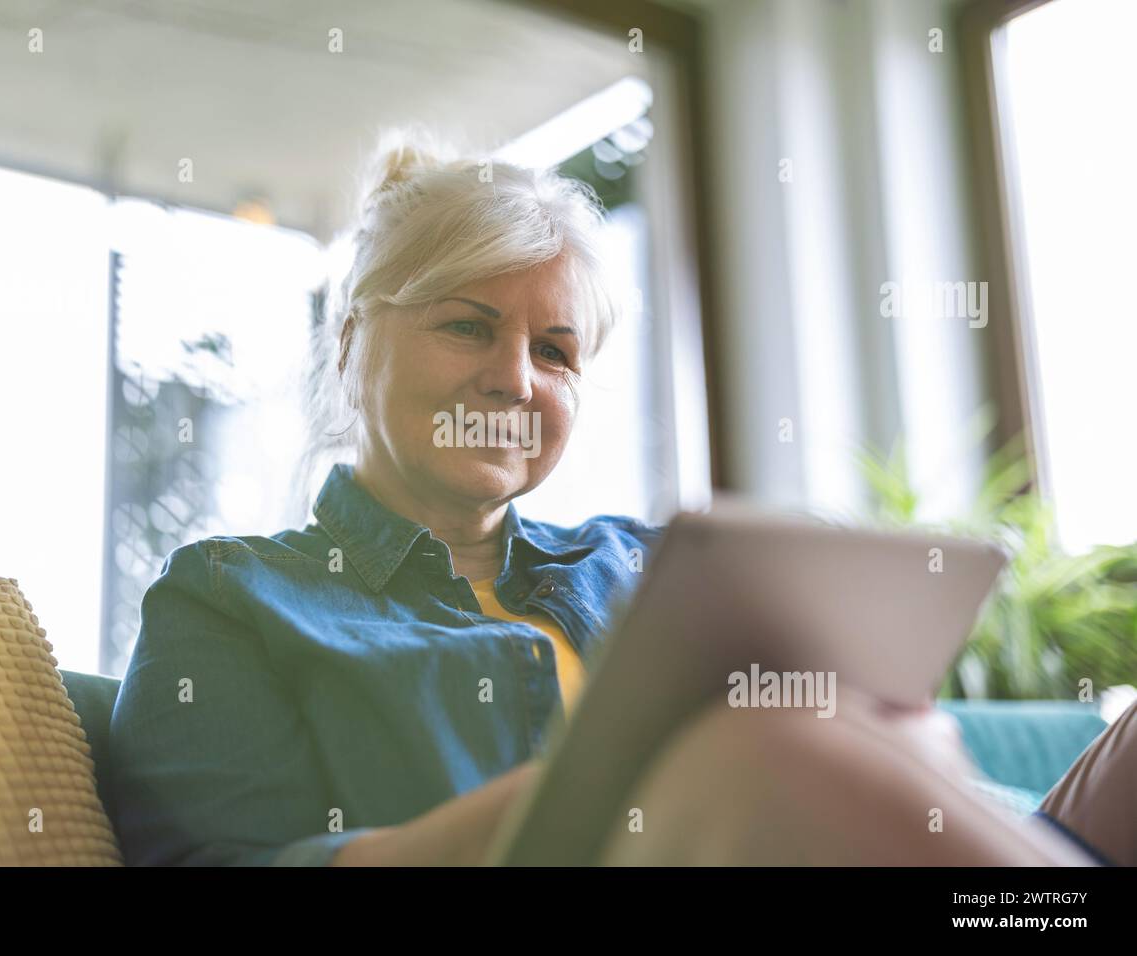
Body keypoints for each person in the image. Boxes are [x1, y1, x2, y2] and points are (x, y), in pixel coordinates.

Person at [107, 130, 1135, 867]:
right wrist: (620, 780)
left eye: (554, 350)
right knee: (750, 748)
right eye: (467, 325)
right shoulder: (227, 599)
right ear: (347, 344)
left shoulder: (647, 561)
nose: (515, 377)